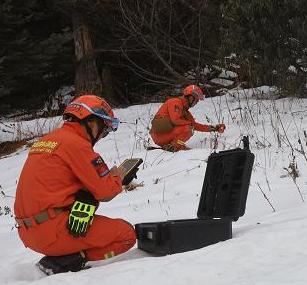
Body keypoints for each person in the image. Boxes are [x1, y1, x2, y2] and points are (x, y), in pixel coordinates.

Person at [14, 95, 138, 275]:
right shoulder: (77, 145)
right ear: (91, 122)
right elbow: (106, 193)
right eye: (104, 128)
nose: (102, 135)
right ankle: (66, 262)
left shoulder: (47, 141)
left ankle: (63, 255)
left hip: (28, 232)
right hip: (52, 231)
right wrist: (117, 178)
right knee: (127, 235)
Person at [149, 85, 226, 151]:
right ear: (191, 97)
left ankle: (176, 145)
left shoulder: (185, 111)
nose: (196, 103)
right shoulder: (175, 102)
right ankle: (174, 147)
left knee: (190, 128)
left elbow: (195, 126)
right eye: (196, 100)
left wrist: (215, 128)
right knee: (189, 129)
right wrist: (189, 124)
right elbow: (175, 121)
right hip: (158, 135)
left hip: (164, 135)